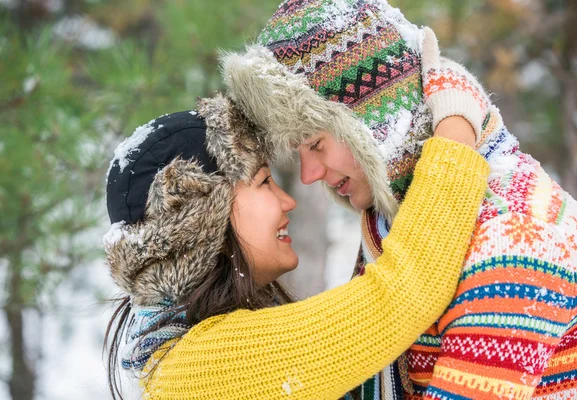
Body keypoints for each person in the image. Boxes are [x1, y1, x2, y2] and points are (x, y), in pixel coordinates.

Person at [222, 0, 577, 398]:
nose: (308, 174)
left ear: (376, 121)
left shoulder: (515, 239)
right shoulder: (402, 214)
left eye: (316, 143)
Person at [103, 93, 489, 399]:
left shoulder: (181, 356)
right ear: (205, 221)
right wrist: (457, 128)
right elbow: (400, 296)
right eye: (264, 182)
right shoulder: (202, 369)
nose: (288, 200)